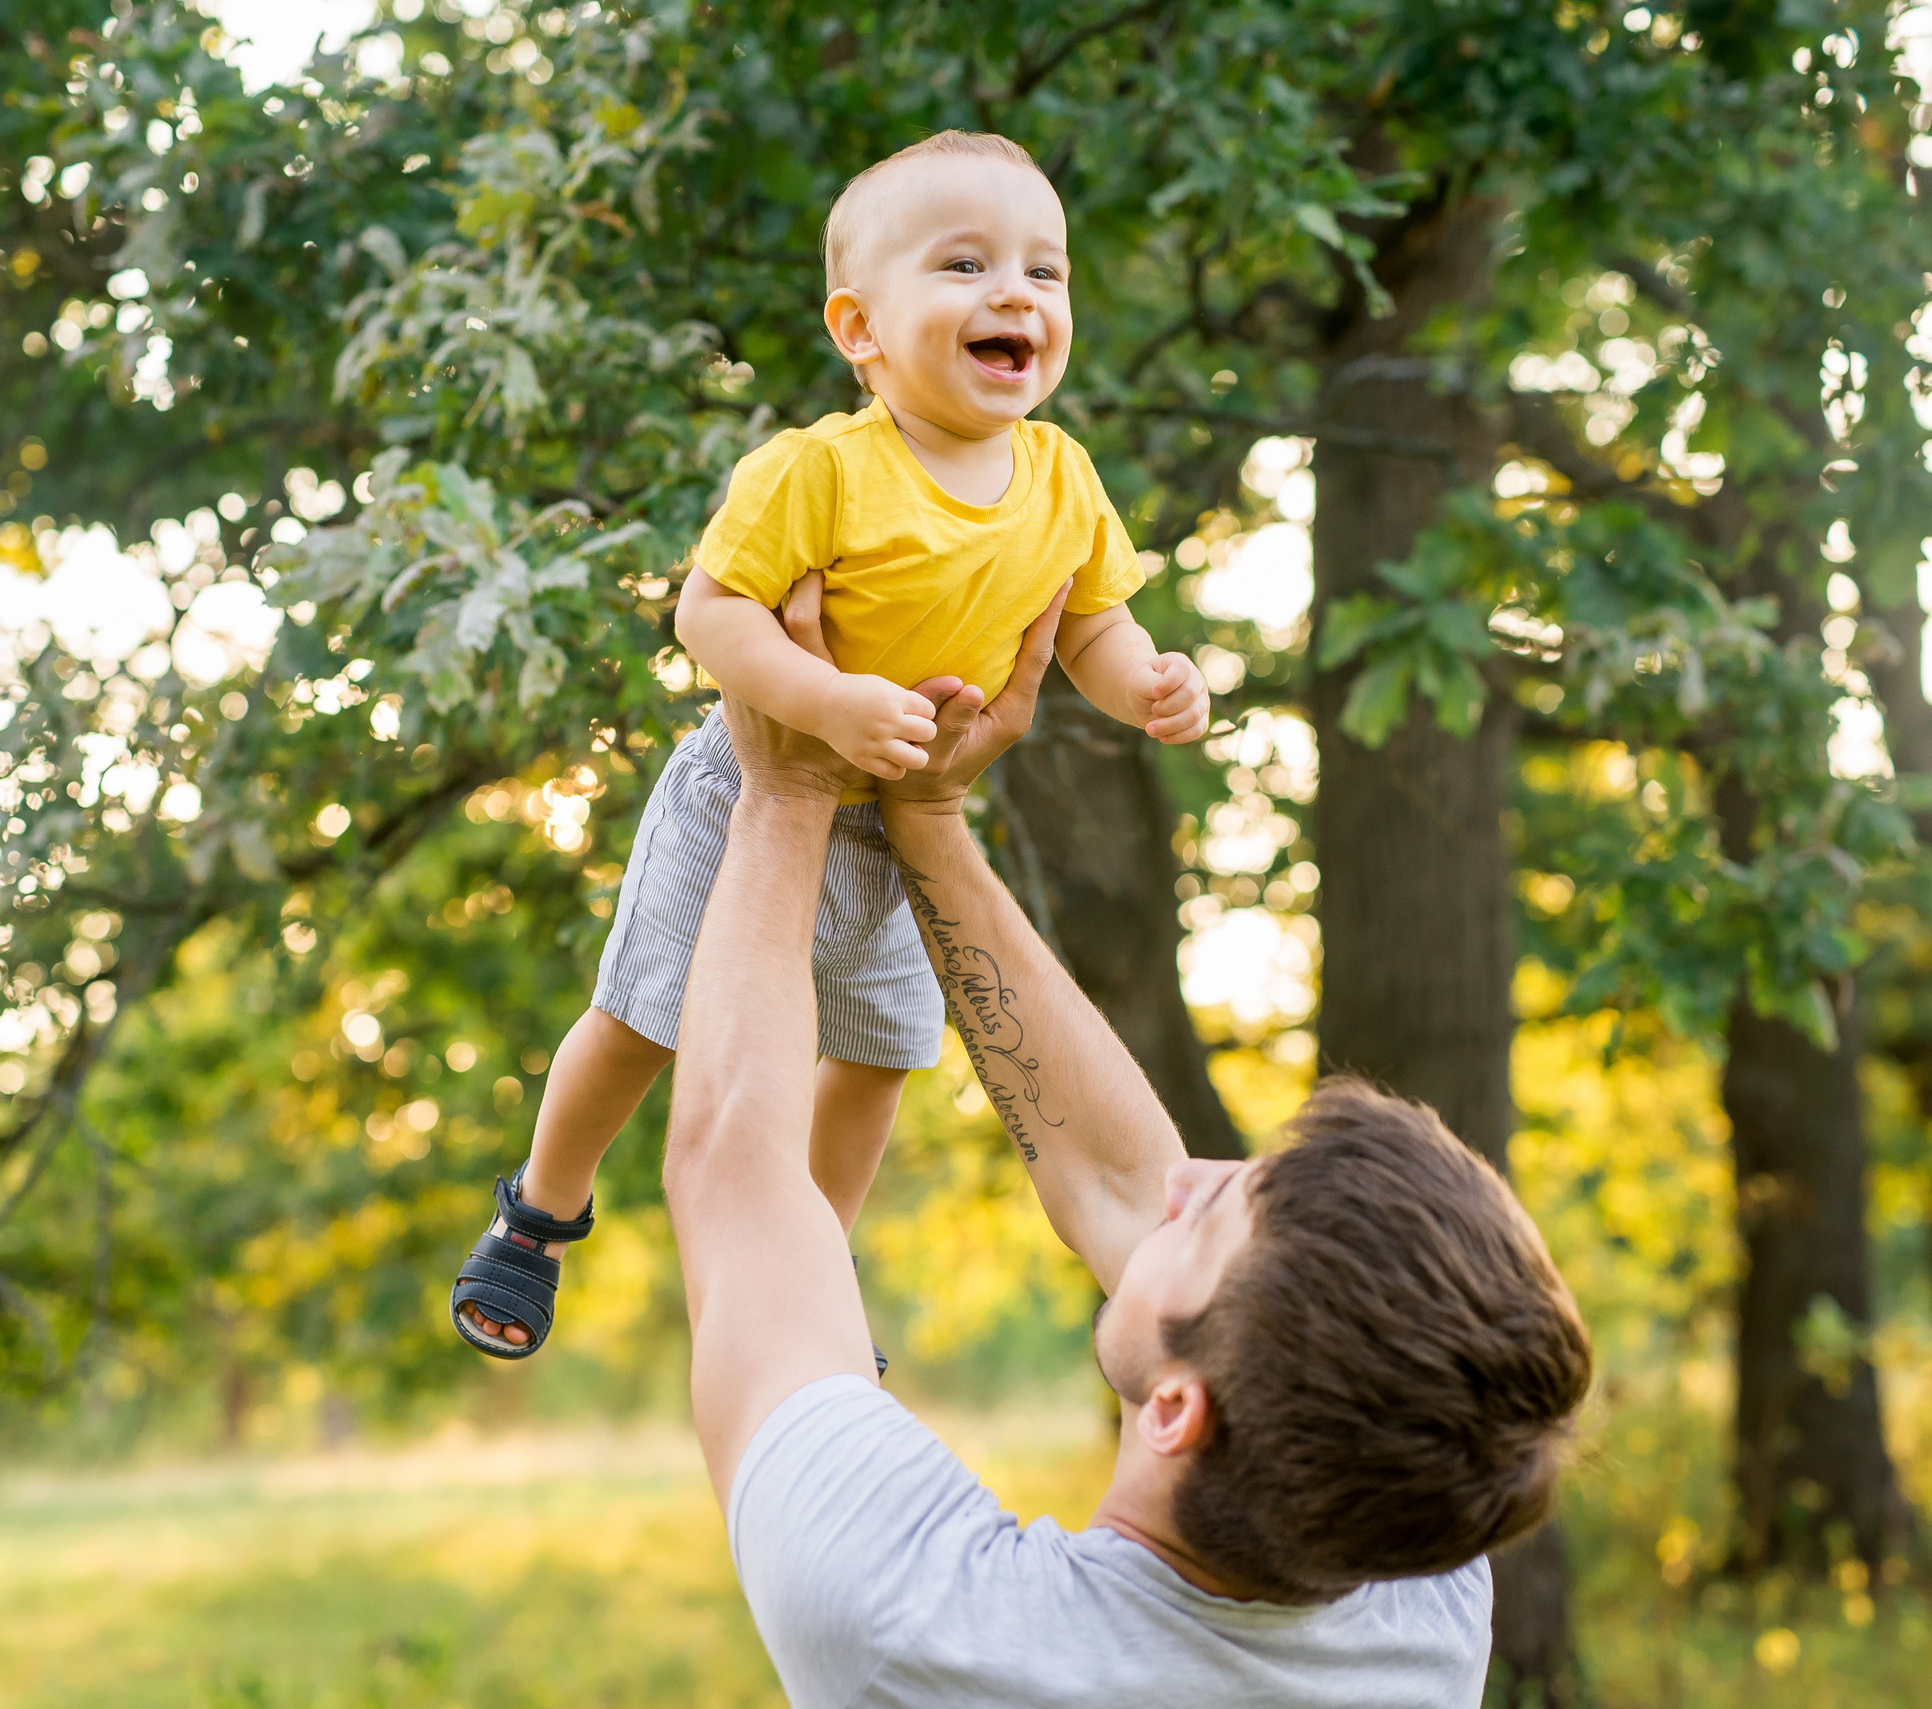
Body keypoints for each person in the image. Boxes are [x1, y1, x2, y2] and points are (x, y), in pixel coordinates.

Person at [633, 594, 1595, 1705]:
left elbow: (735, 1174)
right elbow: (1124, 1188)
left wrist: (791, 783)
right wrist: (928, 814)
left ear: (1180, 1413)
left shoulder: (918, 1621)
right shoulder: (1421, 1537)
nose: (1190, 1174)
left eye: (1215, 1215)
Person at [450, 129, 1209, 1360]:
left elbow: (1091, 623)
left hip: (898, 819)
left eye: (1045, 271)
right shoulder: (819, 470)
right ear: (858, 329)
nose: (1016, 292)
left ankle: (813, 1266)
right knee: (645, 1017)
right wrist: (820, 698)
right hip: (745, 787)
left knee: (877, 1056)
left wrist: (1149, 688)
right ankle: (541, 1205)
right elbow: (708, 611)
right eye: (963, 266)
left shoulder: (1063, 478)